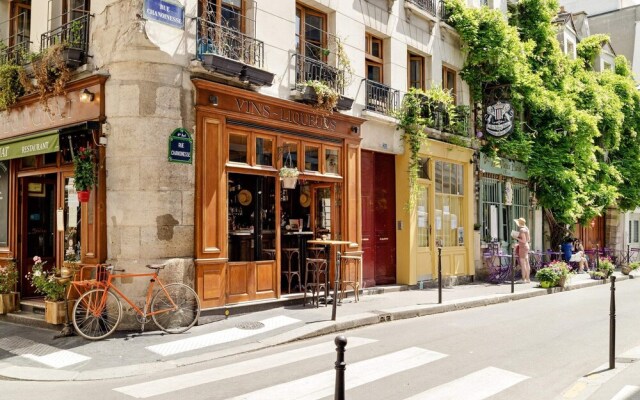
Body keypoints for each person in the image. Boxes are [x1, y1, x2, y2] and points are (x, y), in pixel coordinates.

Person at [514, 218, 531, 283]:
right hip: (526, 246)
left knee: (523, 263)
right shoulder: (526, 229)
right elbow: (528, 240)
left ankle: (523, 279)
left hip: (523, 247)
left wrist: (516, 237)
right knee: (527, 263)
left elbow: (523, 241)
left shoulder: (522, 230)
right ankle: (528, 279)